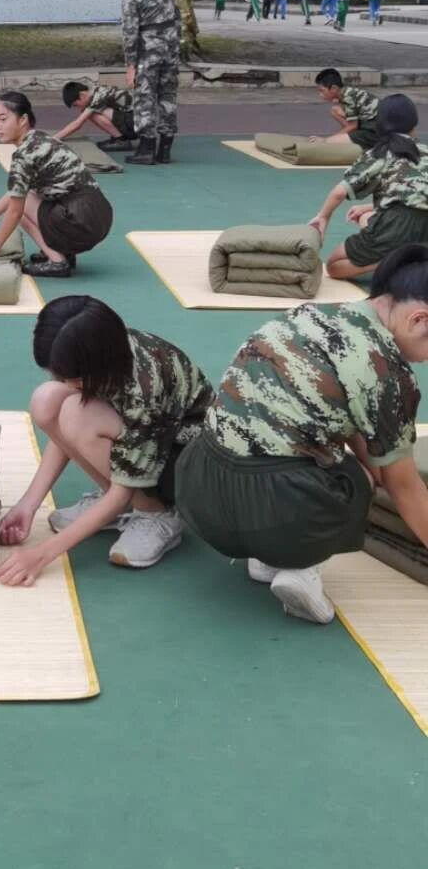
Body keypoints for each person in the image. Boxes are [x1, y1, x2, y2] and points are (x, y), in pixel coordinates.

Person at [176, 245, 428, 626]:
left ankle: (267, 555)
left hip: (198, 489)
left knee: (338, 461)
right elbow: (405, 489)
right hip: (277, 501)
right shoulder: (389, 373)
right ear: (419, 319)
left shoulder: (309, 315)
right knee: (356, 481)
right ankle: (300, 570)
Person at [0, 295, 212, 581]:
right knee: (46, 400)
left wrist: (42, 554)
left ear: (95, 365)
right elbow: (63, 436)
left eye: (73, 378)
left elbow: (122, 485)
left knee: (74, 412)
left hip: (186, 465)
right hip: (141, 450)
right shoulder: (97, 351)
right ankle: (111, 507)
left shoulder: (146, 387)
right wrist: (28, 504)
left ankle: (155, 514)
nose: (67, 383)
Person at [0, 93, 112, 278]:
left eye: (3, 119)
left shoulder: (24, 155)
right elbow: (17, 190)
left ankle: (57, 261)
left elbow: (15, 209)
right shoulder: (42, 138)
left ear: (23, 120)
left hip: (81, 221)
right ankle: (63, 253)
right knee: (27, 198)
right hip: (99, 215)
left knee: (19, 211)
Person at [307, 96, 428, 281]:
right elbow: (414, 196)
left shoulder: (378, 153)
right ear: (413, 125)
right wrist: (369, 208)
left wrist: (323, 217)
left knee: (333, 266)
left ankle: (395, 260)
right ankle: (413, 255)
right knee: (364, 217)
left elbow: (340, 191)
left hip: (394, 224)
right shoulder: (425, 151)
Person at [106, 0, 180, 165]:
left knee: (145, 97)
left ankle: (146, 149)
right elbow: (176, 14)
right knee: (167, 96)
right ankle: (165, 149)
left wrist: (130, 66)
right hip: (170, 47)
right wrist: (173, 44)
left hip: (148, 51)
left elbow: (130, 33)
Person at [56, 80, 136, 153]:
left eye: (76, 105)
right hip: (136, 120)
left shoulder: (97, 97)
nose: (78, 108)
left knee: (92, 113)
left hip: (137, 123)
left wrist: (55, 138)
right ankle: (118, 138)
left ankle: (121, 141)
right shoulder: (96, 91)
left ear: (82, 95)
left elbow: (77, 124)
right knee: (91, 111)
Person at [313, 68, 380, 148]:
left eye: (322, 91)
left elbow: (353, 125)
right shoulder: (346, 92)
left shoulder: (348, 97)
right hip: (371, 124)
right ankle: (349, 136)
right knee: (335, 110)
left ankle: (352, 137)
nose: (320, 94)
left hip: (374, 132)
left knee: (329, 142)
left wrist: (326, 139)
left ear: (334, 88)